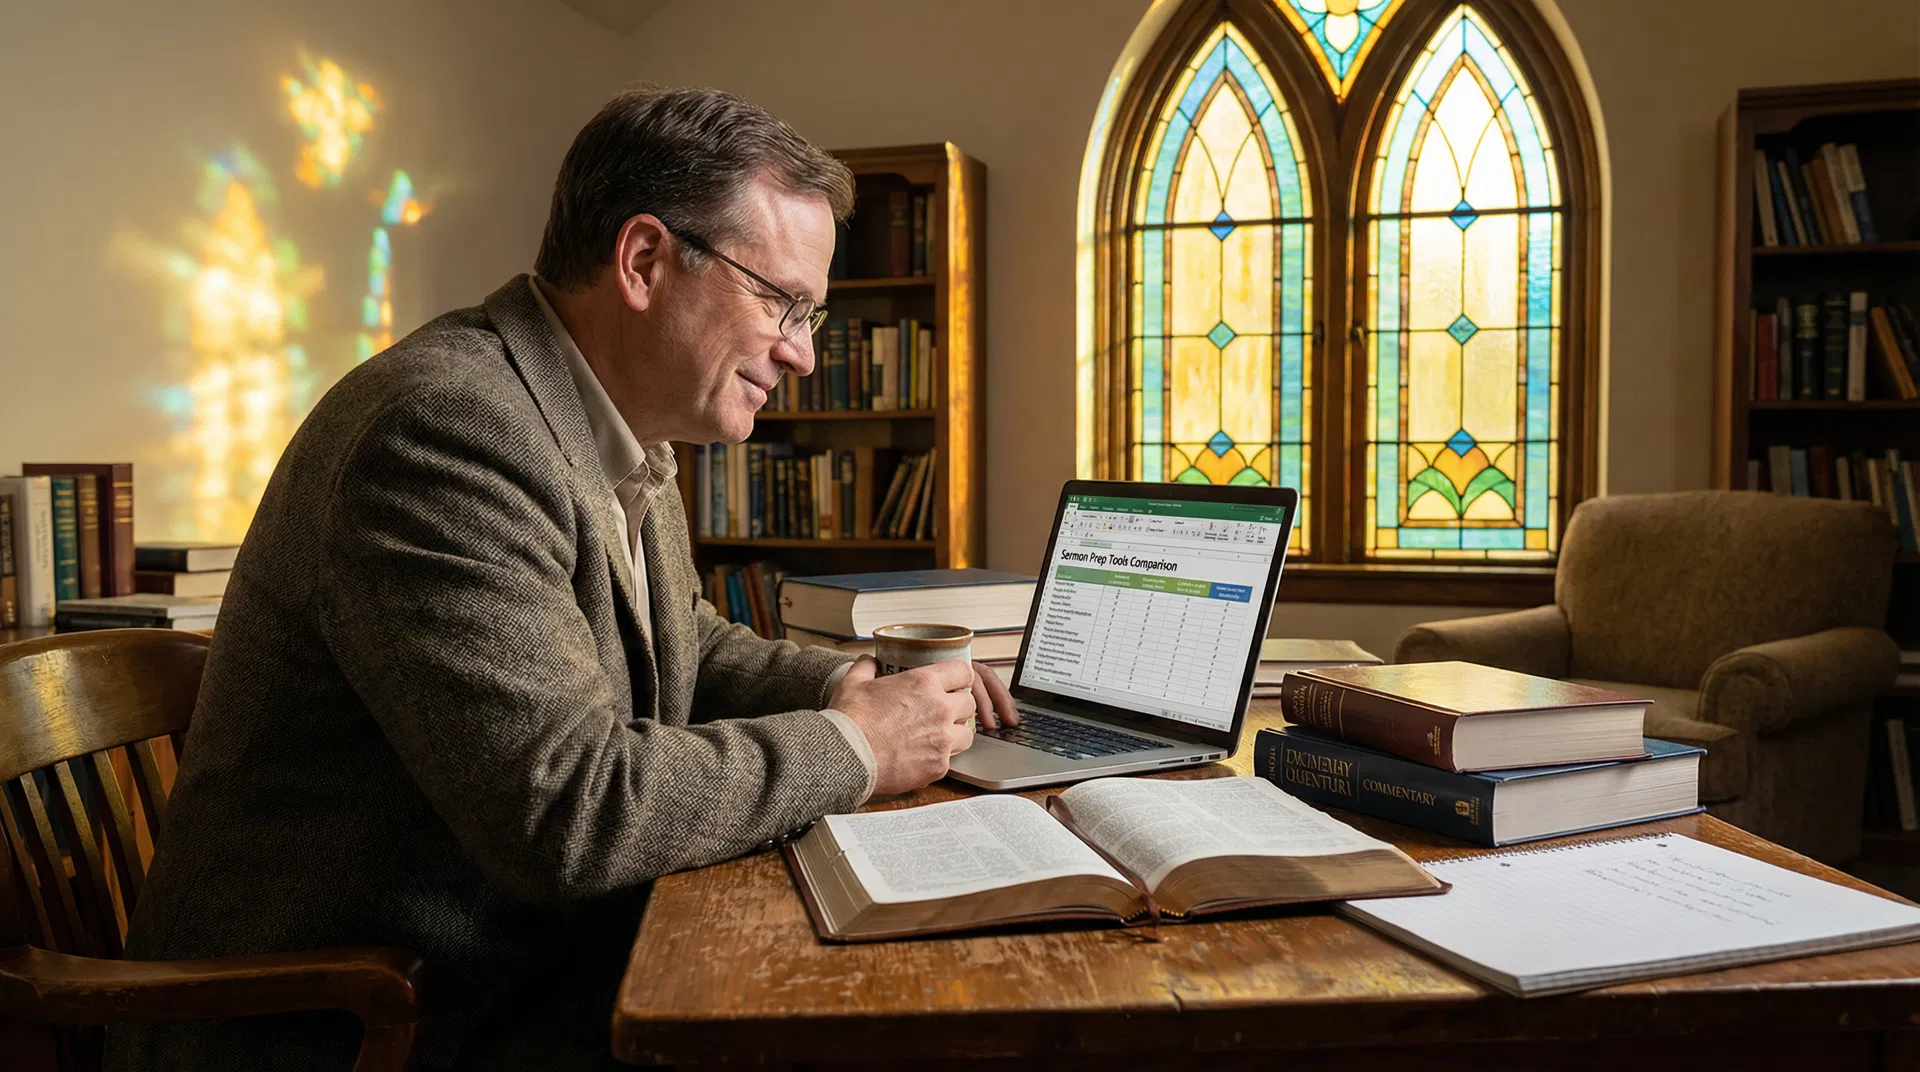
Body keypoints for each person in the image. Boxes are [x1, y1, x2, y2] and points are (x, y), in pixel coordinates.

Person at [107, 86, 1016, 1071]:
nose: (800, 352)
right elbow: (570, 810)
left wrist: (836, 684)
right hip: (354, 1023)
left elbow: (684, 639)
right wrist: (859, 746)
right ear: (643, 260)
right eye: (783, 302)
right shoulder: (447, 435)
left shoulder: (615, 419)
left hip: (504, 969)